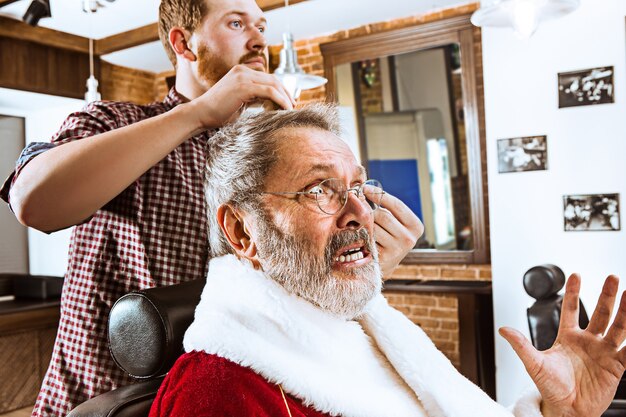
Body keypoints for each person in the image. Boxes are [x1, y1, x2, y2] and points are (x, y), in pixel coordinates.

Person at [0, 0, 421, 415]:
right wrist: (198, 114)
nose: (258, 39)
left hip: (221, 397)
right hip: (103, 399)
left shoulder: (263, 165)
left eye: (261, 26)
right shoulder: (115, 122)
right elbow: (34, 202)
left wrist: (355, 267)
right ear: (184, 44)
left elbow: (288, 299)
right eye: (237, 23)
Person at [149, 104, 626, 417]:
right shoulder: (214, 396)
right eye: (320, 189)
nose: (361, 212)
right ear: (242, 231)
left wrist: (558, 413)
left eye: (358, 187)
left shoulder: (367, 334)